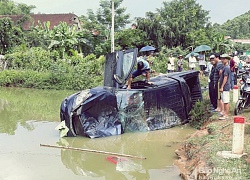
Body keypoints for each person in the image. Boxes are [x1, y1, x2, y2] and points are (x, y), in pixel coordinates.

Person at [219, 54, 231, 120]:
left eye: (223, 59)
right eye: (221, 59)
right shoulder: (224, 67)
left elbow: (225, 78)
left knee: (226, 101)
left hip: (225, 86)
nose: (222, 60)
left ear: (227, 59)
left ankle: (226, 115)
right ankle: (225, 113)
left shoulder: (226, 68)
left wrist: (222, 87)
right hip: (224, 86)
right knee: (224, 100)